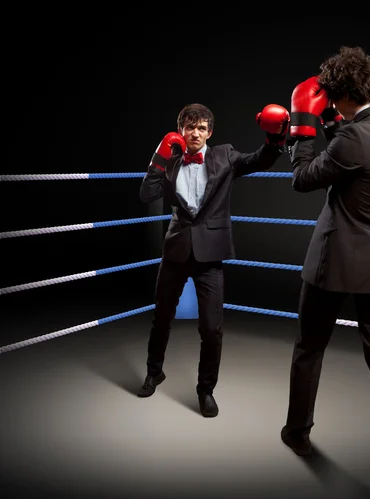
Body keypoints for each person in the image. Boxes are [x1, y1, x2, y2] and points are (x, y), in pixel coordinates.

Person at [280, 46, 370, 480]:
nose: (330, 106)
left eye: (333, 100)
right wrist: (335, 123)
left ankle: (298, 433)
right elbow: (350, 159)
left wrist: (301, 125)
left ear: (342, 95)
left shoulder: (354, 139)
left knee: (309, 349)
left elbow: (303, 178)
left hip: (334, 261)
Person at [137, 102, 290, 418]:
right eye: (190, 127)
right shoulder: (172, 160)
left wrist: (275, 139)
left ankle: (205, 391)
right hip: (176, 249)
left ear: (210, 132)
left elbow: (258, 161)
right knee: (161, 317)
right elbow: (146, 194)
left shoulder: (225, 155)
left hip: (211, 254)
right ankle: (154, 372)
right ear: (181, 130)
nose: (195, 133)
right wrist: (159, 156)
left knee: (211, 328)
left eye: (201, 128)